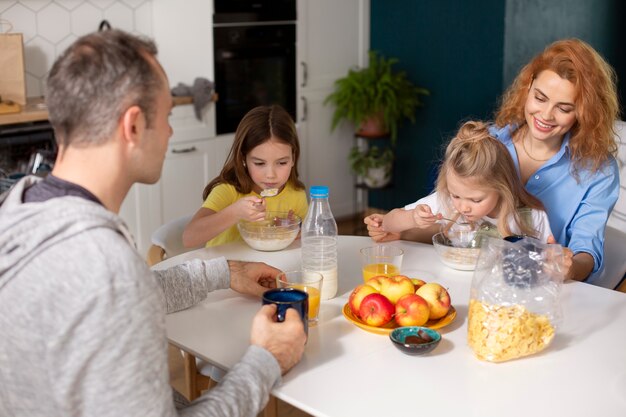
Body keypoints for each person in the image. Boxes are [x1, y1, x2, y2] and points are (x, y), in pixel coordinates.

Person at [0, 29, 306, 417]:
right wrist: (267, 360)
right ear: (132, 125)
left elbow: (110, 299)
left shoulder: (21, 208)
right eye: (166, 116)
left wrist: (224, 272)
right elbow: (114, 290)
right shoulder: (105, 266)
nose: (170, 132)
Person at [367, 38, 619, 283]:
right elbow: (447, 220)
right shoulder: (488, 144)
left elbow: (587, 252)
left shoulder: (598, 170)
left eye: (564, 108)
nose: (546, 114)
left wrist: (568, 266)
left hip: (544, 289)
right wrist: (400, 226)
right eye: (540, 98)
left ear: (584, 110)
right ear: (529, 85)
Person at [379, 121, 553, 244]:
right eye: (456, 195)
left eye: (476, 200)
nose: (463, 207)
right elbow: (387, 223)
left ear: (502, 187)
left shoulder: (532, 218)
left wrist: (554, 258)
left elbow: (551, 263)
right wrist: (413, 218)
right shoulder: (447, 202)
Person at [182, 105, 308, 248]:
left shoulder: (296, 194)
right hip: (227, 268)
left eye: (282, 162)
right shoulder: (228, 191)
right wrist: (235, 213)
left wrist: (293, 231)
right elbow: (189, 238)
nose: (271, 175)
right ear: (243, 159)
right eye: (260, 163)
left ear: (293, 158)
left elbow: (306, 238)